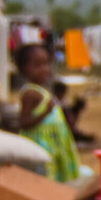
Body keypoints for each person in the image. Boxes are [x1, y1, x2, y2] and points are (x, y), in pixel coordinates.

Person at [14, 44, 80, 182]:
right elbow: (23, 123)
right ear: (24, 69)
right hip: (42, 146)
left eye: (46, 64)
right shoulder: (30, 93)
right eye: (37, 65)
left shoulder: (43, 90)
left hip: (54, 143)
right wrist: (45, 112)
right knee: (46, 178)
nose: (44, 69)